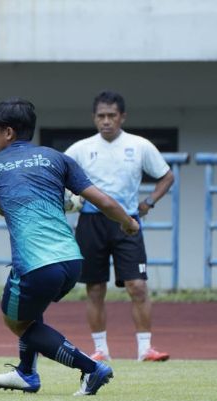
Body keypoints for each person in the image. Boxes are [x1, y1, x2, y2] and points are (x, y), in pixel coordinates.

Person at [0, 98, 139, 395]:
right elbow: (101, 200)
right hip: (71, 260)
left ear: (9, 132)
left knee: (15, 321)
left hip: (35, 263)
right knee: (30, 311)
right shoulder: (57, 158)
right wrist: (128, 222)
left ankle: (91, 369)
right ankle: (26, 373)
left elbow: (2, 209)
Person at [65, 91, 174, 362]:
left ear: (122, 117)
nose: (106, 121)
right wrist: (69, 201)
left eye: (111, 116)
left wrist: (148, 202)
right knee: (95, 288)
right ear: (94, 118)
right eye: (101, 116)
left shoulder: (139, 146)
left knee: (137, 285)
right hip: (91, 221)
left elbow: (166, 176)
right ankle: (100, 350)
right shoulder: (80, 149)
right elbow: (59, 176)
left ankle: (145, 349)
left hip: (127, 222)